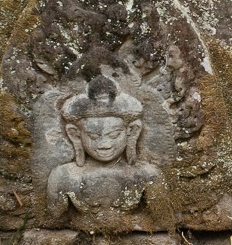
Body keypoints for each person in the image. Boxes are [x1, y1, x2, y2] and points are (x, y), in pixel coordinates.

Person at [47, 75, 160, 219]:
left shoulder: (148, 175)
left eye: (113, 135)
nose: (104, 144)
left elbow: (161, 221)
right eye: (93, 136)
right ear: (75, 134)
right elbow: (54, 221)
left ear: (132, 131)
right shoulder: (62, 176)